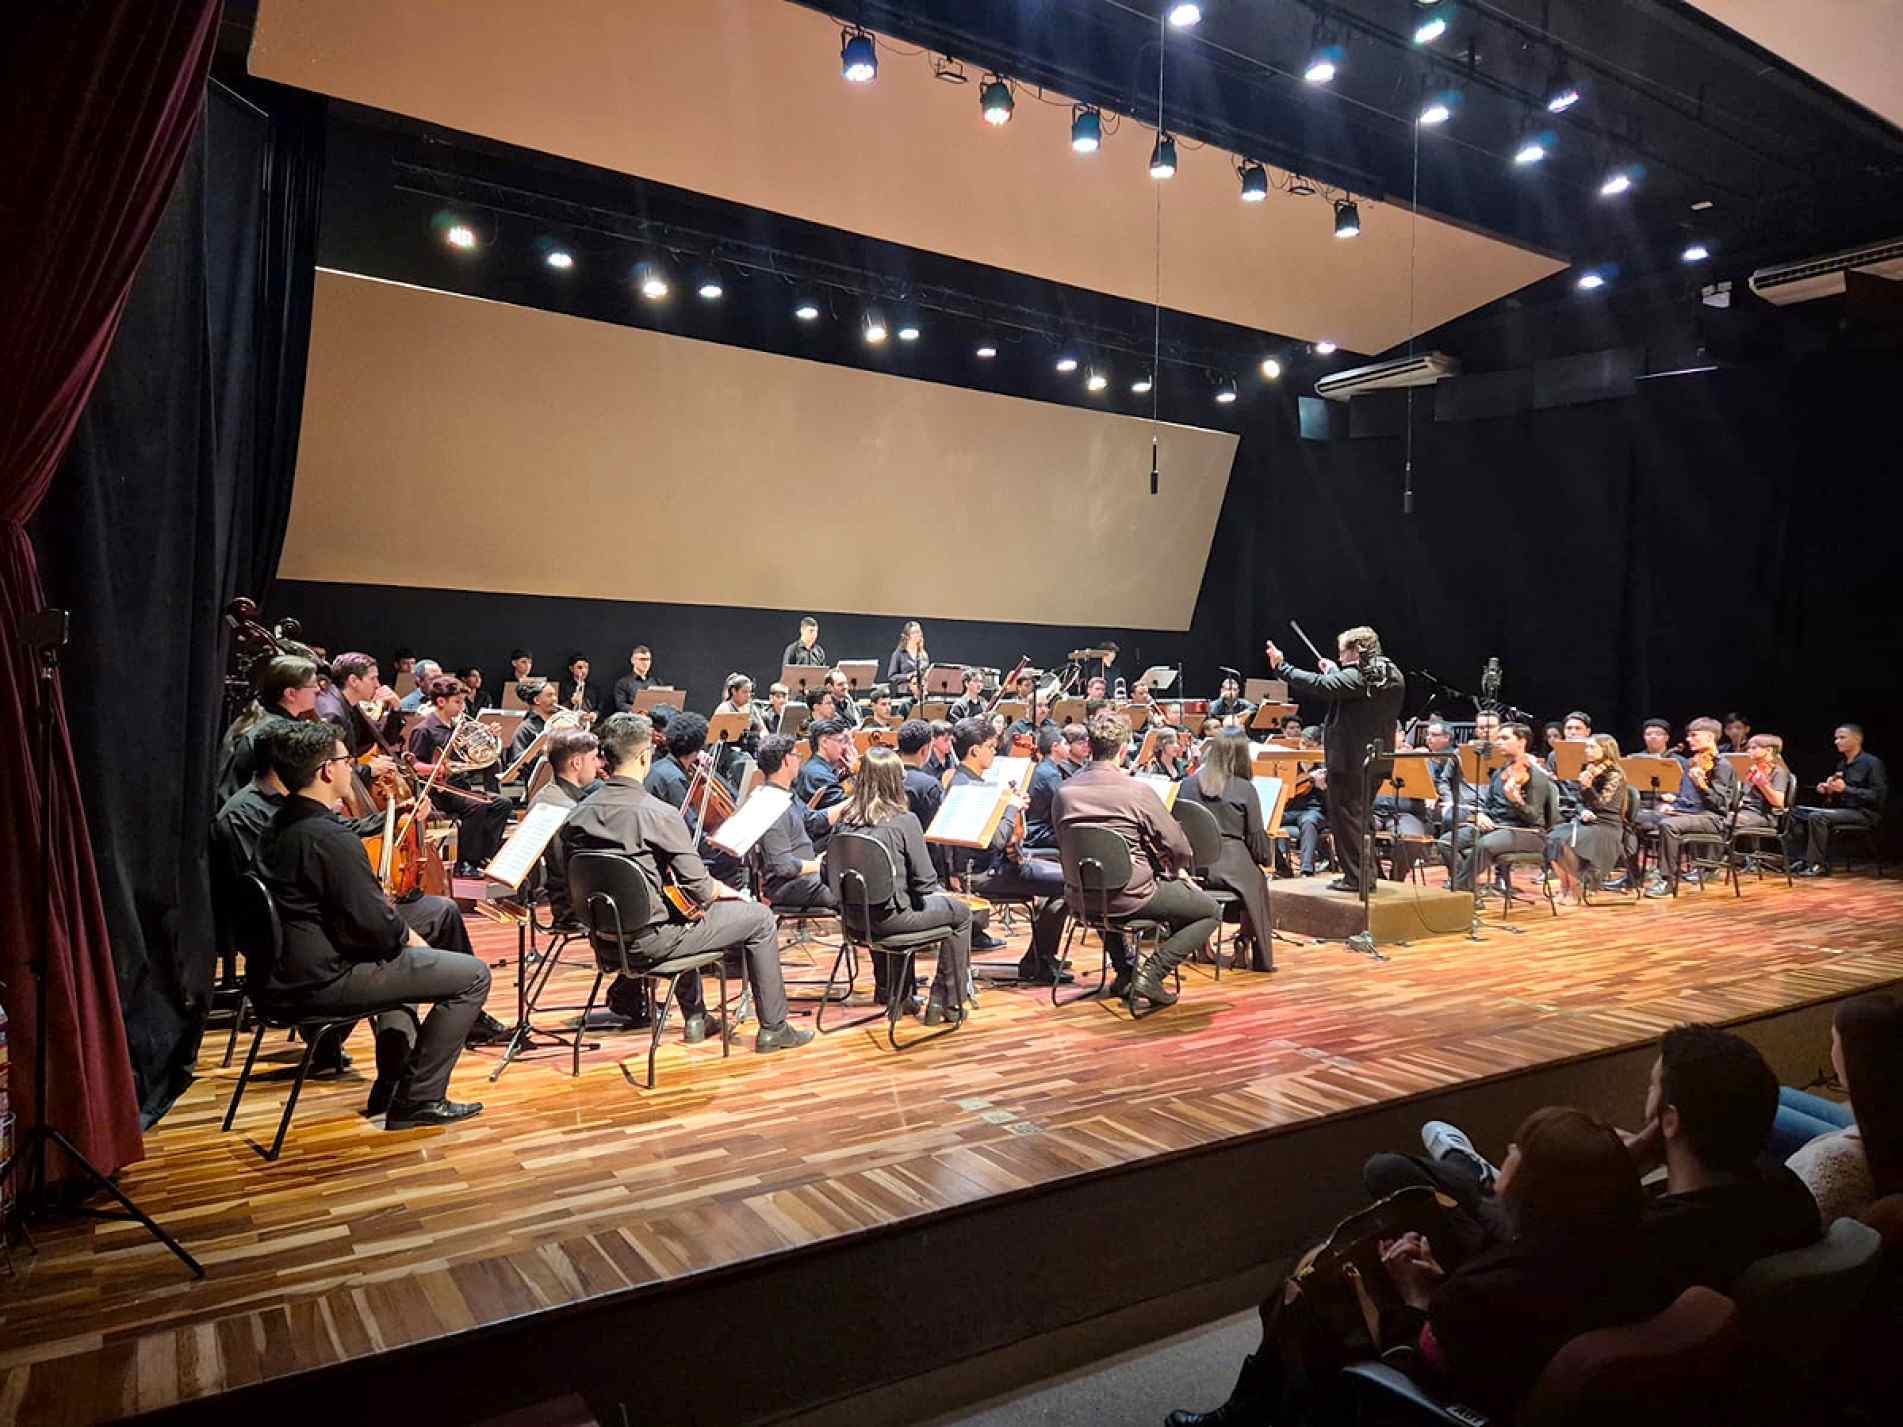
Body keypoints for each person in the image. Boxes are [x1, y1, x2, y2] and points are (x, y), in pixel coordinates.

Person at [1172, 1105, 1665, 1427]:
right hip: (1516, 1356)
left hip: (1442, 1393)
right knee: (1389, 1195)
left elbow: (1420, 1365)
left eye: (1516, 1151)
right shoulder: (1632, 1255)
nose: (1509, 1152)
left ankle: (1245, 1415)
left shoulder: (1482, 1291)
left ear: (1530, 1191)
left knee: (1309, 1291)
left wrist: (1418, 1294)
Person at [253, 720, 491, 1129]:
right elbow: (375, 930)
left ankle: (393, 1083)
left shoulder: (280, 823)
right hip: (322, 980)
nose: (353, 768)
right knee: (472, 976)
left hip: (288, 968)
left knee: (429, 925)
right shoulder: (328, 840)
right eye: (347, 760)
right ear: (327, 770)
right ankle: (419, 1098)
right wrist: (411, 939)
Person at [560, 713, 812, 1053]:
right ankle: (775, 1028)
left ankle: (697, 1018)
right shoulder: (657, 813)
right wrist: (732, 894)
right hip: (652, 942)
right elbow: (702, 890)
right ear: (645, 756)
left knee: (680, 910)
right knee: (760, 918)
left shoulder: (577, 813)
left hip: (605, 940)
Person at [1052, 712, 1219, 1008]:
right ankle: (1151, 974)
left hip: (1080, 895)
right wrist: (1175, 869)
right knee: (1210, 910)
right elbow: (1179, 846)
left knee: (1102, 880)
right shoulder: (1137, 791)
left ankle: (1126, 971)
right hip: (1131, 897)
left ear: (1089, 746)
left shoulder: (1064, 792)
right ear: (1123, 749)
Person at [828, 749, 971, 1026]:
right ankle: (946, 1002)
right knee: (962, 914)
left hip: (855, 922)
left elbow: (828, 875)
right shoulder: (905, 821)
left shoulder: (844, 821)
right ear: (896, 781)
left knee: (904, 900)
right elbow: (925, 882)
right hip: (892, 922)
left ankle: (899, 996)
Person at [1265, 626, 1406, 895]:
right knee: (1361, 819)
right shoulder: (1391, 672)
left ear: (1356, 650)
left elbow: (1322, 686)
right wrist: (1335, 671)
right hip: (1377, 759)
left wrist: (1282, 667)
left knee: (1347, 819)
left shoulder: (1360, 675)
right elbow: (1354, 694)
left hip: (1350, 761)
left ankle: (1356, 878)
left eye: (1342, 652)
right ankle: (1366, 876)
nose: (1340, 658)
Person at [943, 717, 1070, 982]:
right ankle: (1039, 961)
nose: (994, 752)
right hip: (982, 873)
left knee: (1061, 878)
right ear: (974, 750)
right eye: (990, 747)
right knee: (1068, 884)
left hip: (989, 866)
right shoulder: (968, 787)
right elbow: (996, 840)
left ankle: (1038, 958)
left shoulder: (966, 779)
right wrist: (1012, 807)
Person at [1771, 993, 1903, 1224]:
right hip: (1867, 1137)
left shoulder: (1829, 1164)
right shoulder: (1889, 1101)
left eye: (1834, 1040)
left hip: (1860, 1159)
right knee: (1781, 1095)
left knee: (1768, 1113)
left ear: (1857, 1059)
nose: (1830, 1051)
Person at [1175, 730, 1274, 972]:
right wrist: (1265, 858)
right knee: (1257, 882)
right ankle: (1244, 940)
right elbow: (1256, 839)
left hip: (1195, 866)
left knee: (1250, 877)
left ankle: (1202, 943)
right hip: (1233, 866)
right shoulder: (1245, 789)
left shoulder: (1187, 784)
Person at [405, 674, 512, 875]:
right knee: (477, 806)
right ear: (441, 702)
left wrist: (488, 736)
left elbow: (472, 756)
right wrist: (439, 769)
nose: (462, 707)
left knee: (502, 804)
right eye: (457, 702)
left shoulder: (458, 727)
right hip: (438, 792)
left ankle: (484, 856)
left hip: (460, 788)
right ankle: (465, 862)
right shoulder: (424, 730)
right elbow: (414, 766)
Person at [1442, 723, 1559, 894]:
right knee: (1446, 842)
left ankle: (1461, 889)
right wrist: (1481, 815)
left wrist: (1516, 801)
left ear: (1522, 742)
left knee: (1485, 845)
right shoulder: (1499, 773)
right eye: (1498, 739)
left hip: (1529, 832)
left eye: (1505, 738)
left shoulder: (1536, 776)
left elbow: (1534, 818)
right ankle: (1467, 886)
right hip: (1497, 827)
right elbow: (1488, 805)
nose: (1498, 743)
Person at [755, 733, 847, 912]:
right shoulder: (771, 805)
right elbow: (784, 867)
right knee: (851, 889)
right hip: (788, 885)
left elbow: (811, 820)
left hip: (804, 875)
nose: (799, 760)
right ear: (786, 760)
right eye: (796, 755)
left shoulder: (786, 794)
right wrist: (819, 865)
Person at [1646, 717, 1738, 896]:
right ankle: (1632, 876)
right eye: (1688, 735)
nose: (1688, 739)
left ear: (1710, 737)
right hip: (1686, 812)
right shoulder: (1692, 762)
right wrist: (1673, 803)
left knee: (1668, 825)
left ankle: (1667, 882)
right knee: (1634, 817)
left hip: (1712, 817)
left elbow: (1720, 804)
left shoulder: (1721, 765)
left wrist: (1702, 785)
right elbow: (1686, 797)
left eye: (1694, 735)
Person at [216, 654, 321, 804]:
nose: (318, 690)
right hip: (258, 813)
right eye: (313, 685)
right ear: (291, 694)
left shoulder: (254, 715)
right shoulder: (281, 733)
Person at [1787, 723, 1888, 877]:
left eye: (1842, 737)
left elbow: (1877, 796)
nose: (1837, 741)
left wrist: (1846, 789)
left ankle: (1817, 864)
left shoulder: (1872, 763)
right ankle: (1801, 859)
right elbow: (1839, 794)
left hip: (1864, 813)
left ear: (1857, 739)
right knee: (1795, 812)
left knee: (1817, 817)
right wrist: (1829, 790)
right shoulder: (1842, 764)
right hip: (1843, 810)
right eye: (1836, 738)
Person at [526, 727, 602, 928]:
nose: (598, 764)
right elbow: (569, 872)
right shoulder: (567, 811)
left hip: (565, 903)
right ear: (576, 763)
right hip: (576, 910)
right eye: (593, 758)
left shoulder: (546, 795)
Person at [1549, 733, 1628, 903]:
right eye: (1587, 747)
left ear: (1605, 750)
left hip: (1605, 824)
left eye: (1592, 747)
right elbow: (1578, 801)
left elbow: (1602, 805)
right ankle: (1565, 887)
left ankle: (1576, 890)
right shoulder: (1588, 769)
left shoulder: (1615, 774)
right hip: (1587, 821)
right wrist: (1583, 811)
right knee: (1553, 838)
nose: (1587, 750)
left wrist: (1587, 787)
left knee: (1567, 842)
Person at [316, 652, 405, 764]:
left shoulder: (350, 704)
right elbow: (335, 765)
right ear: (353, 681)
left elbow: (385, 740)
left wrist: (395, 708)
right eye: (373, 678)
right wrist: (370, 769)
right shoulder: (333, 715)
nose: (377, 685)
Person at [793, 718, 857, 841]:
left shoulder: (821, 768)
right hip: (821, 843)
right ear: (824, 742)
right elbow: (851, 810)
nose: (845, 747)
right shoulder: (818, 775)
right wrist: (857, 771)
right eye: (841, 741)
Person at [1023, 723, 1086, 849]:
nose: (1069, 747)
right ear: (1055, 747)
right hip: (1039, 832)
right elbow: (1065, 805)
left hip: (1036, 829)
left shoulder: (1045, 767)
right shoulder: (1050, 774)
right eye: (1065, 744)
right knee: (1083, 837)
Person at [1734, 732, 1793, 845]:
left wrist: (1762, 784)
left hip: (1764, 815)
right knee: (1718, 819)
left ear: (1768, 750)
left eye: (1753, 748)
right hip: (1744, 811)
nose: (1748, 751)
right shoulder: (1751, 769)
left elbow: (1778, 802)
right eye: (1748, 748)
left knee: (1727, 822)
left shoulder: (1778, 772)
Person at [508, 677, 563, 772]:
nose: (555, 699)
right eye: (549, 695)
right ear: (537, 700)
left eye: (554, 695)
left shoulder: (561, 721)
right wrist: (539, 752)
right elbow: (517, 761)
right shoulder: (526, 728)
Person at [714, 673, 770, 737]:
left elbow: (763, 730)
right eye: (744, 692)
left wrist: (762, 735)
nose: (748, 695)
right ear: (734, 691)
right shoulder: (724, 708)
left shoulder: (751, 707)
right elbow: (715, 735)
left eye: (750, 692)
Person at [610, 645, 654, 713]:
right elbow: (621, 705)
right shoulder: (623, 683)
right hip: (634, 717)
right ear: (633, 660)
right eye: (642, 659)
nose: (645, 662)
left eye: (648, 659)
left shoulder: (655, 682)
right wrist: (639, 711)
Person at [886, 619, 929, 687]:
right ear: (907, 636)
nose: (917, 635)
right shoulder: (898, 654)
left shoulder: (923, 654)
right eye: (914, 632)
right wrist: (908, 676)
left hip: (921, 690)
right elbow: (892, 676)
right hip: (905, 690)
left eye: (918, 632)